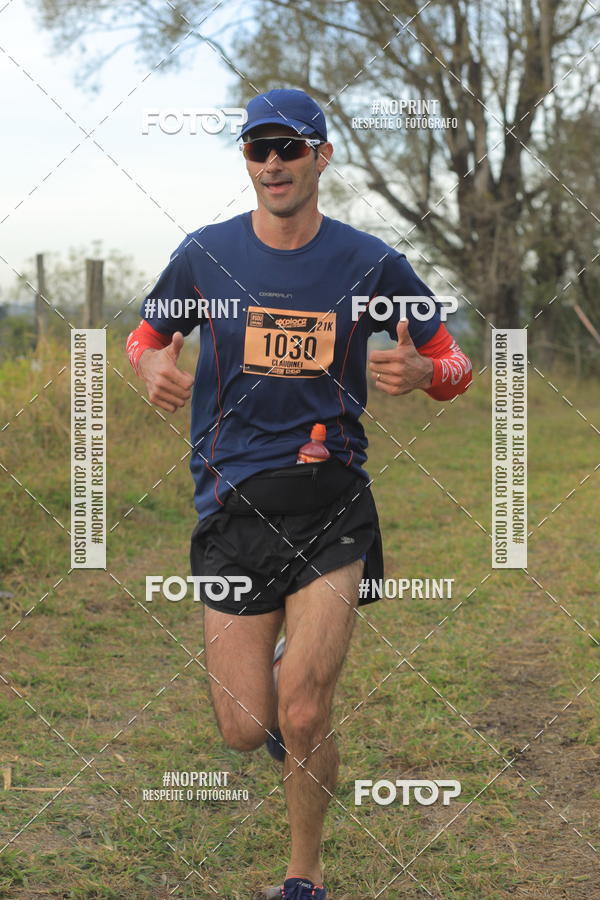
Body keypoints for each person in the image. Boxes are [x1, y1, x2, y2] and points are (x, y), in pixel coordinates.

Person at [126, 88, 472, 900]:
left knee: (308, 713)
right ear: (246, 161)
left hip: (332, 503)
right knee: (247, 729)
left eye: (290, 147)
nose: (273, 163)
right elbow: (147, 334)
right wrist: (150, 365)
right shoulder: (205, 254)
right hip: (232, 505)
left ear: (321, 156)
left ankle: (303, 875)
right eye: (258, 149)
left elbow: (453, 361)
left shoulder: (370, 262)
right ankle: (279, 684)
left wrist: (425, 374)